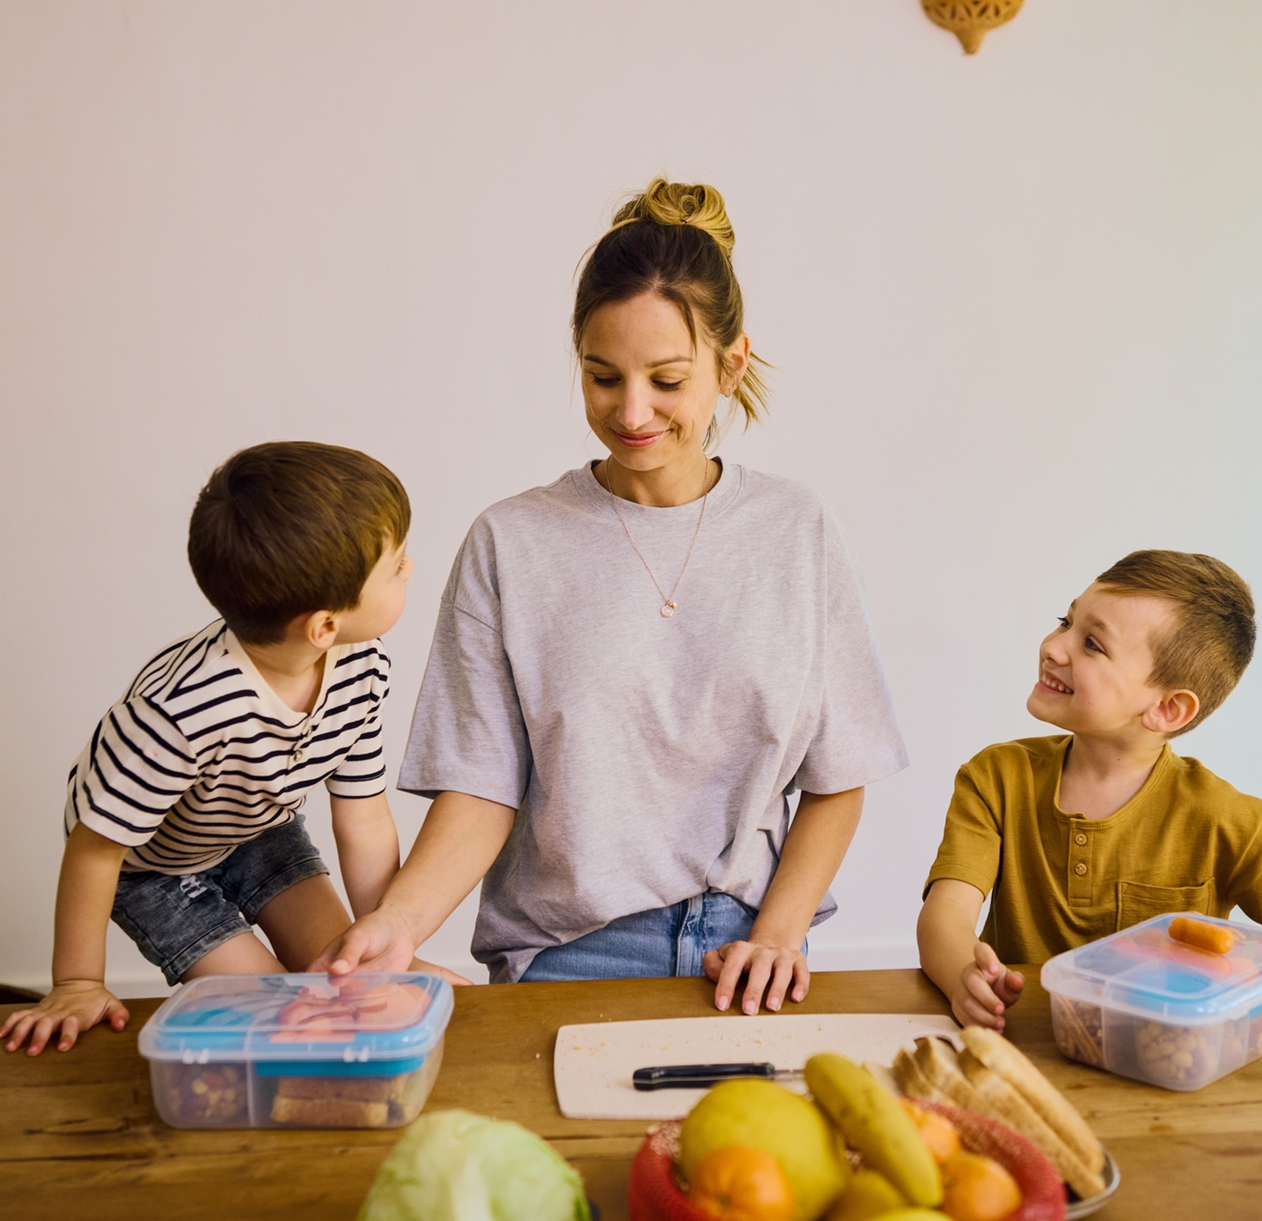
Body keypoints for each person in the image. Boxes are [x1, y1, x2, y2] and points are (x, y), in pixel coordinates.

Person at [312, 178, 910, 1014]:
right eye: (602, 377)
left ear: (730, 365)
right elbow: (484, 786)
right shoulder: (511, 542)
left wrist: (778, 933)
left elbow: (838, 774)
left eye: (667, 380)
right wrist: (396, 924)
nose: (632, 412)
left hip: (750, 949)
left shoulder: (795, 529)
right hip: (566, 954)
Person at [0, 442, 459, 1056]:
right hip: (153, 870)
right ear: (323, 625)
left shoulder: (360, 666)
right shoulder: (179, 712)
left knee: (343, 974)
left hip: (256, 830)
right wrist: (78, 982)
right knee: (286, 1015)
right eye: (397, 564)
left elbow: (364, 817)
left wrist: (388, 939)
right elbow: (96, 847)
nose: (412, 567)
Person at [917, 550, 1262, 1030]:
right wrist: (963, 977)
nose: (1054, 647)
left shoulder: (1220, 815)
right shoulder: (996, 778)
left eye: (1091, 644)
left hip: (1163, 1058)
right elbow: (948, 911)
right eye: (1066, 621)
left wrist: (1243, 968)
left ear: (1167, 709)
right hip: (1025, 1041)